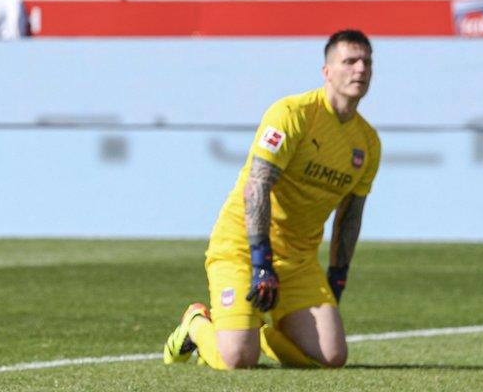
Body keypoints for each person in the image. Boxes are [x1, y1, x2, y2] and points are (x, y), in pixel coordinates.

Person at [163, 29, 381, 370]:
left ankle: (261, 334)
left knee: (331, 358)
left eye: (367, 62)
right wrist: (261, 260)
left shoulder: (367, 142)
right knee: (237, 359)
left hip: (297, 260)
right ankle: (196, 323)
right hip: (242, 248)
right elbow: (258, 184)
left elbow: (350, 215)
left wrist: (338, 275)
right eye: (349, 61)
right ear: (327, 71)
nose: (360, 69)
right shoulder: (293, 113)